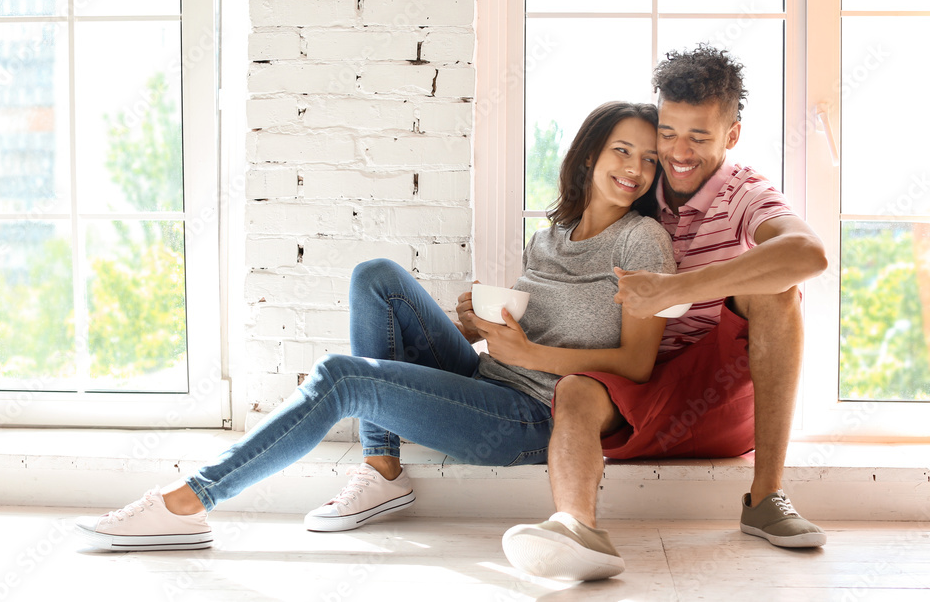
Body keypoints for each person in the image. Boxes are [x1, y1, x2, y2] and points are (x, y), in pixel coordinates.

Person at [74, 101, 676, 552]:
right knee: (377, 276)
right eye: (623, 150)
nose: (636, 168)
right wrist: (478, 326)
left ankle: (190, 501)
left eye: (650, 159)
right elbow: (533, 330)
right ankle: (382, 469)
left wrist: (528, 352)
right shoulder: (551, 236)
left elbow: (636, 365)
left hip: (527, 414)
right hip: (491, 374)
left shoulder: (643, 240)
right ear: (591, 153)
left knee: (342, 377)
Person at [501, 44, 830, 583]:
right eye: (667, 135)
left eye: (699, 137)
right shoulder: (643, 181)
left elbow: (810, 253)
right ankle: (576, 529)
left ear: (731, 135)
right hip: (646, 391)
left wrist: (677, 287)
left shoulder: (743, 192)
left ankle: (766, 496)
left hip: (720, 398)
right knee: (579, 389)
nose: (678, 152)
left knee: (778, 288)